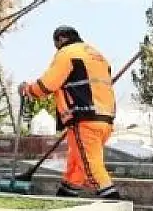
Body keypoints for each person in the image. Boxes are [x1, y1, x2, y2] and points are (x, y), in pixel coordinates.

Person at [19, 26, 120, 199]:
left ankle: (116, 204)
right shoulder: (98, 56)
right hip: (105, 119)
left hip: (84, 118)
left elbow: (47, 85)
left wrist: (28, 90)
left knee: (91, 166)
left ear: (60, 39)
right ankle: (64, 197)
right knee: (77, 164)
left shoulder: (66, 53)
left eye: (55, 44)